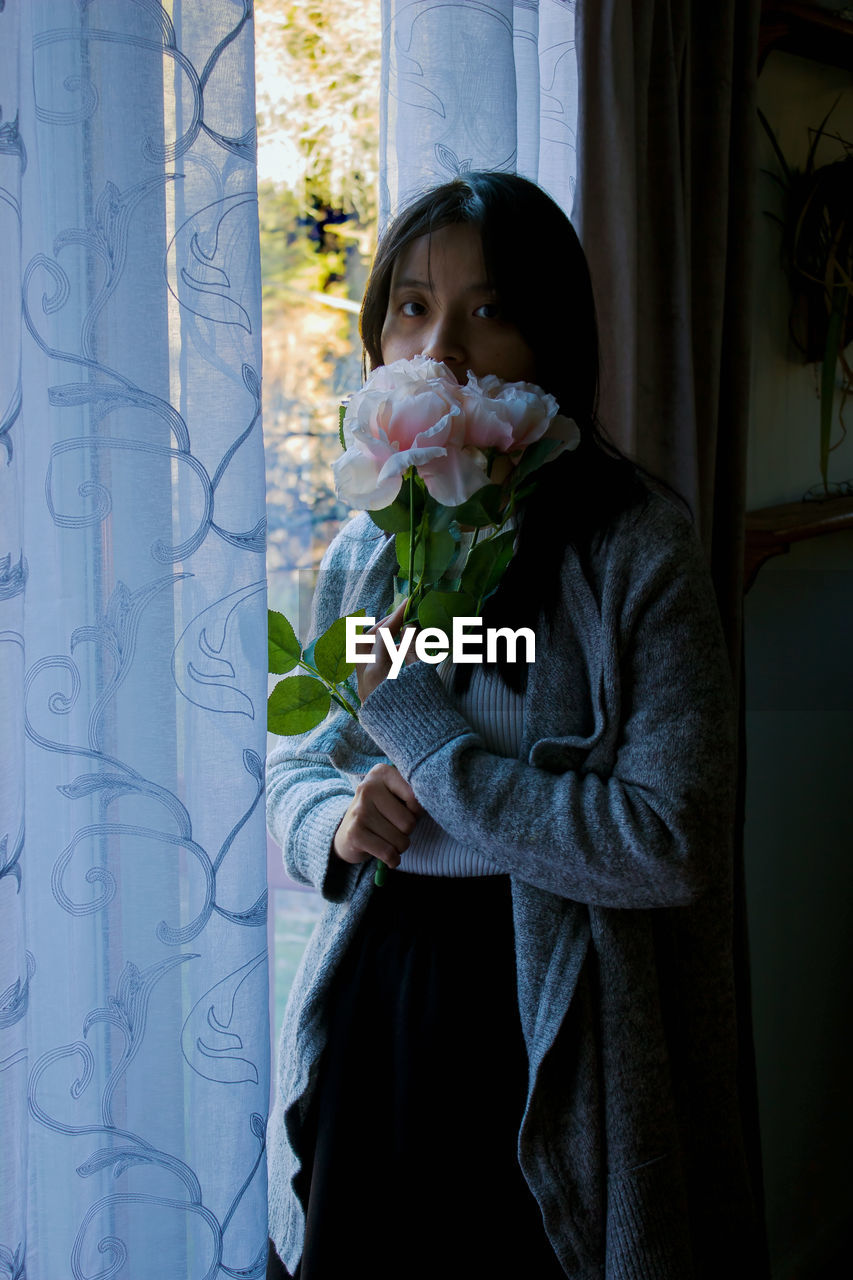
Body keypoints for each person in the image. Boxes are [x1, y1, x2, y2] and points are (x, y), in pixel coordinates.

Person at [266, 172, 763, 1279]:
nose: (439, 345)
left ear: (553, 339)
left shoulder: (634, 550)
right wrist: (337, 826)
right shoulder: (364, 550)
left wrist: (436, 750)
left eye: (487, 309)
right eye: (409, 303)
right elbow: (301, 763)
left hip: (558, 1019)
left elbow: (670, 839)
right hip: (386, 993)